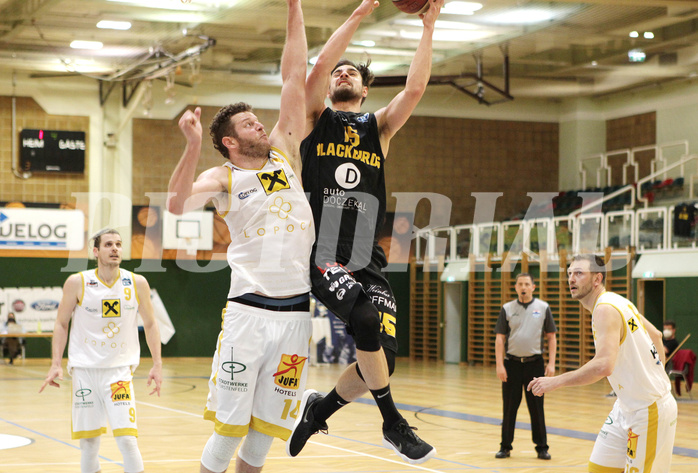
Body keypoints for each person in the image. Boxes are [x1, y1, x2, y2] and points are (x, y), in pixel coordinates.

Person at [286, 0, 443, 465]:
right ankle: (393, 422)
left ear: (366, 87)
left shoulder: (380, 128)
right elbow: (316, 71)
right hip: (324, 251)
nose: (342, 74)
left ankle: (321, 409)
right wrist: (358, 14)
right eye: (340, 72)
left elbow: (415, 89)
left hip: (366, 254)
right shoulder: (318, 120)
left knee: (383, 360)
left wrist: (429, 26)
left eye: (351, 73)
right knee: (366, 324)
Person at [166, 1, 313, 471]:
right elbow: (175, 204)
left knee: (264, 433)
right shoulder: (224, 177)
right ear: (230, 141)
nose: (258, 124)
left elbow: (294, 74)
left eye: (256, 120)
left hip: (295, 315)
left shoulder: (285, 153)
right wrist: (191, 147)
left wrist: (295, 6)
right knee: (229, 428)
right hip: (249, 312)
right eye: (248, 123)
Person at [528, 254, 678, 473]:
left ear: (597, 279)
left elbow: (603, 366)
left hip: (649, 409)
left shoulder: (605, 309)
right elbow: (655, 334)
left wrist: (555, 382)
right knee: (600, 468)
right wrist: (657, 373)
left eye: (579, 273)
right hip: (625, 407)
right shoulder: (618, 300)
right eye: (569, 273)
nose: (571, 279)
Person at [39, 229, 163, 473]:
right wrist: (56, 363)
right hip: (85, 372)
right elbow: (61, 323)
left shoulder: (137, 283)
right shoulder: (77, 282)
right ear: (96, 251)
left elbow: (150, 323)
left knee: (127, 440)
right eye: (108, 244)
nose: (115, 248)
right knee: (89, 443)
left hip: (118, 373)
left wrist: (157, 364)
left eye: (118, 244)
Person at [494, 273, 556, 460]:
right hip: (512, 364)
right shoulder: (507, 308)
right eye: (520, 283)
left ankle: (542, 447)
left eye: (527, 284)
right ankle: (505, 447)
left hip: (534, 365)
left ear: (533, 287)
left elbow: (551, 336)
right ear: (515, 287)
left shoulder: (543, 308)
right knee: (509, 407)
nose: (523, 286)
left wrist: (551, 364)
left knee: (537, 407)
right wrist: (499, 365)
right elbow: (500, 338)